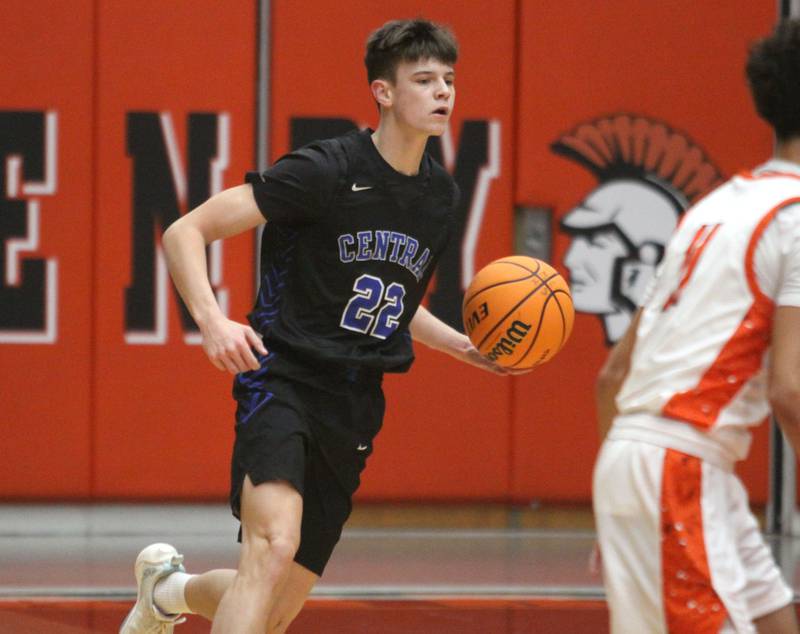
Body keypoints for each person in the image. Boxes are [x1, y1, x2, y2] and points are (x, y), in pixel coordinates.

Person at [119, 17, 515, 634]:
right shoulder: (325, 169)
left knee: (273, 610)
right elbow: (184, 231)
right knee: (272, 545)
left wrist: (462, 347)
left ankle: (167, 592)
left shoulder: (439, 195)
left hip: (354, 402)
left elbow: (394, 298)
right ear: (384, 92)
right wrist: (212, 319)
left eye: (449, 80)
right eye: (424, 80)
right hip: (282, 378)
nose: (443, 92)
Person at [592, 19, 800, 634]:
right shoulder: (792, 217)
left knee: (776, 620)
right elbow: (790, 388)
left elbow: (612, 375)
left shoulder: (714, 207)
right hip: (678, 466)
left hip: (653, 461)